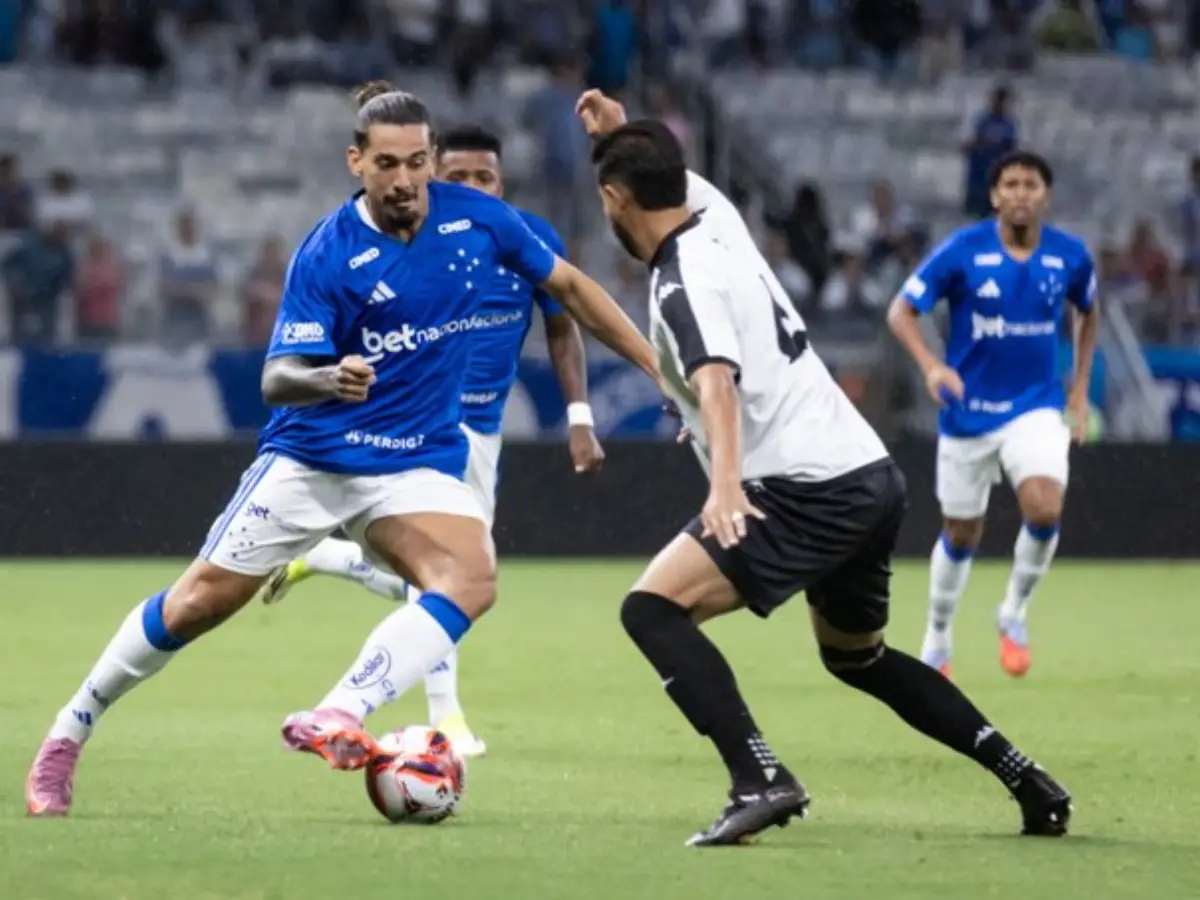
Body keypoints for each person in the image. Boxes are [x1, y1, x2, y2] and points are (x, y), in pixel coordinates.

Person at [26, 81, 659, 818]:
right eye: (387, 164)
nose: (405, 180)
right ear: (356, 162)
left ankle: (339, 711)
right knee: (195, 604)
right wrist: (328, 376)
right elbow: (276, 378)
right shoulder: (327, 253)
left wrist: (660, 371)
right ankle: (69, 731)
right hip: (316, 459)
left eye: (417, 163)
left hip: (416, 461)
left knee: (471, 577)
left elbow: (573, 292)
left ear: (432, 160)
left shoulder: (481, 221)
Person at [576, 89, 1071, 847]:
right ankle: (1025, 777)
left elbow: (717, 380)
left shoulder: (680, 279)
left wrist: (725, 485)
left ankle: (759, 777)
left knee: (651, 610)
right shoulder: (718, 219)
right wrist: (620, 133)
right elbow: (666, 176)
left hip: (801, 488)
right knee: (857, 658)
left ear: (615, 198)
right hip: (867, 474)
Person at [256, 124, 606, 758]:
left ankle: (329, 559)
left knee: (459, 578)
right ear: (433, 178)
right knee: (453, 577)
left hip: (487, 427)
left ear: (502, 183)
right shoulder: (417, 245)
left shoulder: (522, 240)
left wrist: (579, 414)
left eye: (485, 177)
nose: (473, 187)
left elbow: (563, 326)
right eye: (459, 176)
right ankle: (446, 717)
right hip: (426, 424)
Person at [886, 150, 1098, 680]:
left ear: (1045, 196)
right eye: (1011, 184)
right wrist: (933, 366)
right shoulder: (963, 251)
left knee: (1044, 509)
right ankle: (938, 635)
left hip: (1036, 405)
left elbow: (1089, 311)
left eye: (1031, 184)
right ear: (994, 196)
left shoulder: (1070, 256)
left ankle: (1014, 611)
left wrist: (1078, 391)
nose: (1021, 193)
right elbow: (901, 311)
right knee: (961, 533)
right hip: (968, 413)